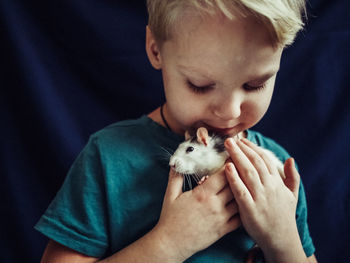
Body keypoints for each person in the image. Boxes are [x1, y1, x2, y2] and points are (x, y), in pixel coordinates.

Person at [35, 0, 317, 262]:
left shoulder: (275, 168)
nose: (230, 111)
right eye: (200, 85)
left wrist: (284, 241)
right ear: (156, 49)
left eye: (255, 85)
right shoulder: (106, 158)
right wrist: (168, 243)